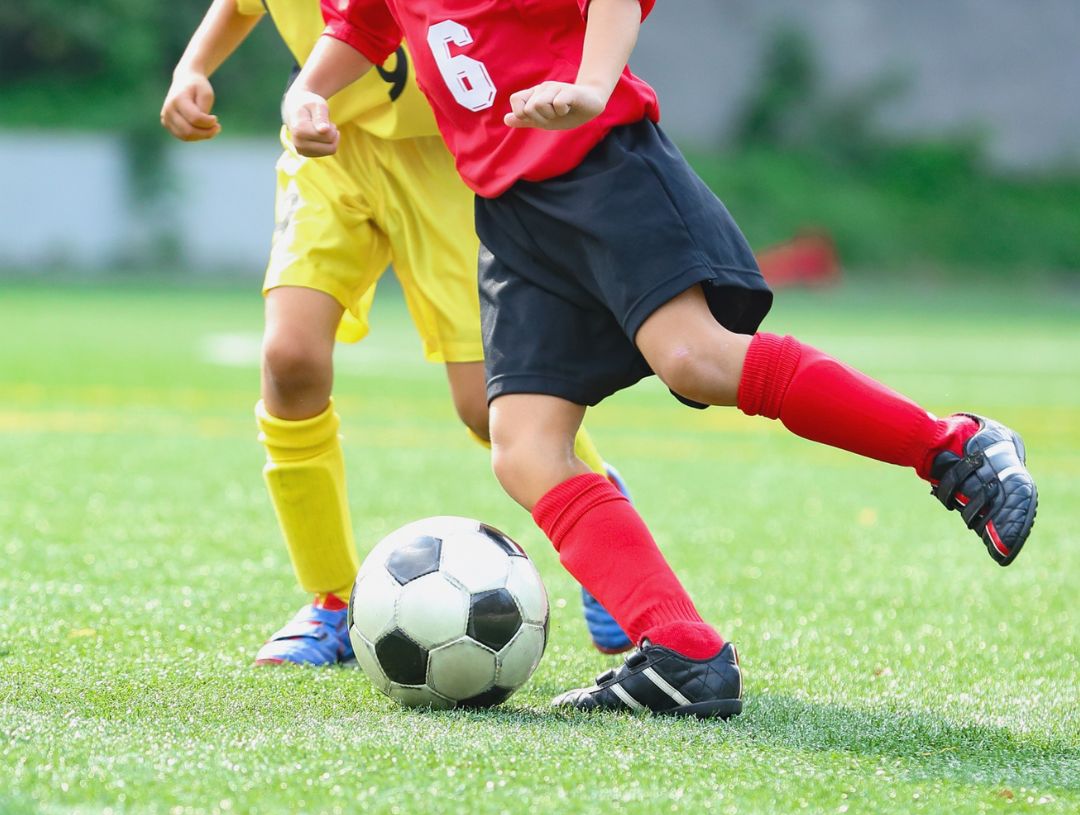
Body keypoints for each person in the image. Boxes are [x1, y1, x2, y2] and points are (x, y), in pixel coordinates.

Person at [283, 0, 1038, 716]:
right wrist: (307, 94)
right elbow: (361, 25)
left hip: (601, 166)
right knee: (523, 449)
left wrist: (589, 85)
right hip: (512, 217)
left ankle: (956, 448)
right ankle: (681, 652)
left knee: (696, 360)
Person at [160, 0, 635, 666]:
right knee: (289, 359)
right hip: (328, 156)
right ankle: (331, 599)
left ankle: (604, 525)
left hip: (448, 160)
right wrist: (192, 69)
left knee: (489, 406)